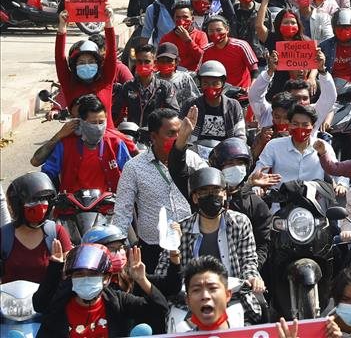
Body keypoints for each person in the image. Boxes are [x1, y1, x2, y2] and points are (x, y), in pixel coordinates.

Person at [113, 108, 206, 268]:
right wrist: (117, 246)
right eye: (171, 133)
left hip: (190, 243)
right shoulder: (134, 167)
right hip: (153, 248)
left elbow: (211, 189)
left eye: (181, 131)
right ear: (153, 137)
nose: (178, 137)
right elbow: (123, 210)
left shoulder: (193, 160)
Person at [155, 167, 264, 294]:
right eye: (204, 192)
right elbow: (162, 272)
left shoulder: (240, 222)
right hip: (190, 300)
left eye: (216, 190)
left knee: (259, 309)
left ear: (224, 194)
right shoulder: (181, 229)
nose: (211, 195)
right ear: (195, 198)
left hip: (233, 295)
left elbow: (248, 260)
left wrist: (252, 278)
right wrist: (173, 246)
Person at [32, 241, 167, 338]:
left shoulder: (118, 301)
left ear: (107, 279)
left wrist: (142, 280)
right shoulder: (59, 305)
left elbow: (160, 309)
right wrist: (54, 268)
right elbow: (39, 304)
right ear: (71, 278)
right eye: (79, 274)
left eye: (93, 274)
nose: (85, 279)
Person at [38, 94, 131, 194]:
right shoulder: (65, 145)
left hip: (108, 206)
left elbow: (132, 173)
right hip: (71, 207)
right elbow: (46, 173)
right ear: (81, 122)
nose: (98, 127)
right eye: (93, 123)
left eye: (101, 122)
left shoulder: (115, 143)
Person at [1, 171, 73, 283]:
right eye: (32, 200)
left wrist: (59, 266)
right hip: (10, 300)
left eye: (43, 199)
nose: (39, 204)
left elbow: (71, 274)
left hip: (47, 299)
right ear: (17, 205)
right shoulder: (4, 236)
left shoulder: (57, 232)